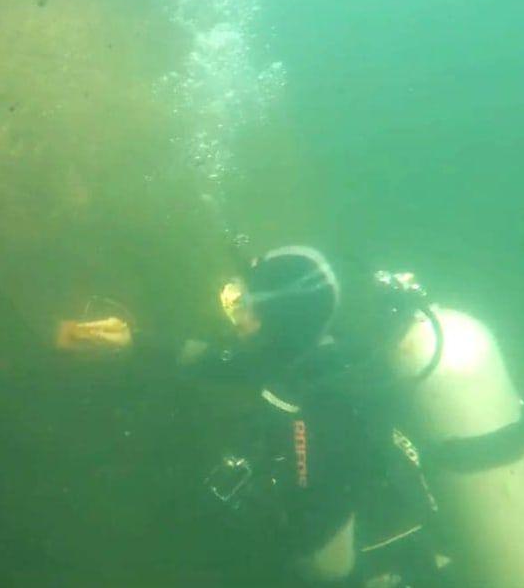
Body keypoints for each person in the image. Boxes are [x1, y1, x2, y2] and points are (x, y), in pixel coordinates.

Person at [58, 245, 467, 587]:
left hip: (387, 565)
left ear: (281, 319)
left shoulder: (322, 402)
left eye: (250, 305)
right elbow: (223, 362)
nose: (238, 314)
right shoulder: (310, 350)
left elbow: (320, 551)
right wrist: (137, 341)